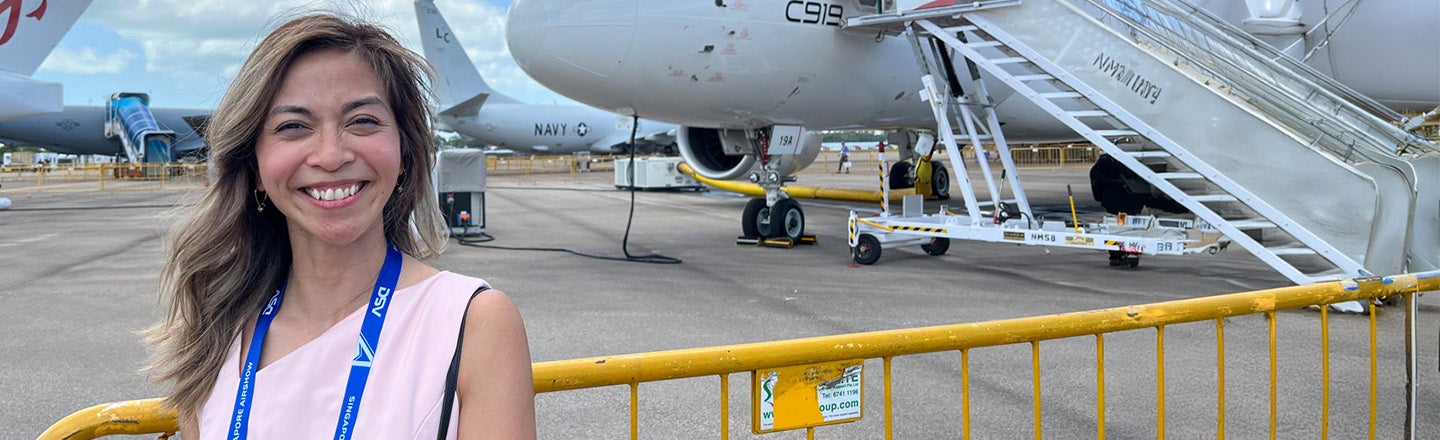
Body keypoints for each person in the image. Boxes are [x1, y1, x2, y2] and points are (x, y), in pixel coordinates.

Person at [144, 13, 535, 439]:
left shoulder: (472, 322)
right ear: (254, 166)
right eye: (293, 127)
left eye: (362, 121)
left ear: (405, 153)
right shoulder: (216, 332)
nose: (330, 156)